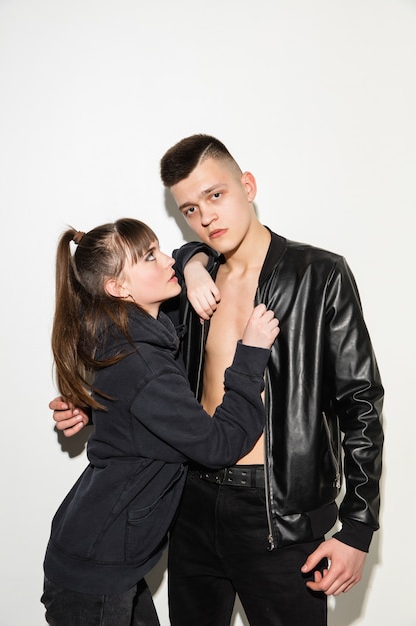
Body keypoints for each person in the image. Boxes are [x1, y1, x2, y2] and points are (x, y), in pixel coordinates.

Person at [51, 135, 384, 626]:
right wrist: (90, 402)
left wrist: (357, 527)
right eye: (189, 208)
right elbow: (138, 375)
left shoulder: (318, 275)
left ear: (246, 186)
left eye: (215, 195)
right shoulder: (180, 290)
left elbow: (362, 404)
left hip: (276, 513)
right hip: (190, 504)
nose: (205, 217)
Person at [41, 217, 280, 626]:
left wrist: (192, 267)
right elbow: (217, 445)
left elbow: (138, 417)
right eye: (150, 257)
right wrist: (250, 355)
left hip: (104, 557)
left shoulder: (123, 339)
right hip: (98, 567)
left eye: (158, 248)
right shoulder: (144, 363)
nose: (166, 259)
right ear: (119, 288)